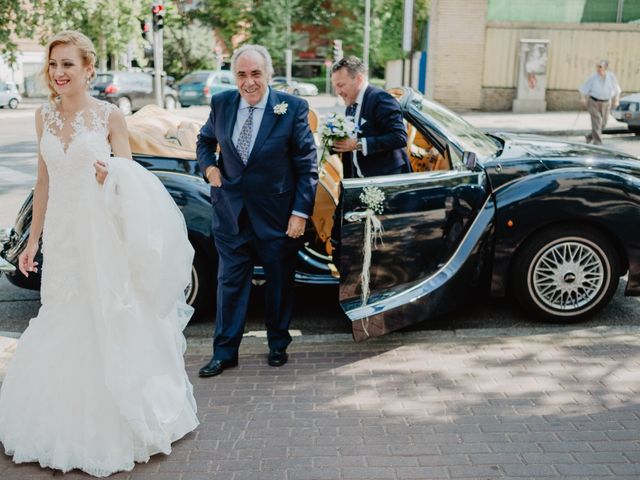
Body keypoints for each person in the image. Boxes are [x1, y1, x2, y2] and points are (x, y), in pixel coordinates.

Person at [0, 31, 198, 477]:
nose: (59, 73)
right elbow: (44, 182)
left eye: (68, 64)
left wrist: (111, 172)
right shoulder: (42, 117)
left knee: (107, 319)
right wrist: (33, 242)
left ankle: (119, 423)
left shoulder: (110, 116)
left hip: (100, 234)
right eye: (53, 65)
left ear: (88, 69)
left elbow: (130, 179)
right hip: (64, 240)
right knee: (62, 317)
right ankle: (57, 422)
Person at [196, 45, 317, 377]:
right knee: (229, 285)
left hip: (277, 216)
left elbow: (307, 166)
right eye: (242, 75)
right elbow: (204, 141)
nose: (249, 82)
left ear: (269, 75)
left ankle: (278, 344)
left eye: (256, 74)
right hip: (230, 214)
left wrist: (300, 213)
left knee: (279, 284)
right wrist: (209, 169)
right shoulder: (221, 104)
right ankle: (224, 352)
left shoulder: (291, 108)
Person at [331, 56, 411, 178]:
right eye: (335, 86)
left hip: (387, 179)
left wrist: (357, 144)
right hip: (361, 181)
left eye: (341, 85)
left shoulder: (381, 99)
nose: (338, 92)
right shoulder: (350, 105)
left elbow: (399, 137)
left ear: (358, 79)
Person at [579, 59, 621, 145]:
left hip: (606, 103)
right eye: (597, 66)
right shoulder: (593, 77)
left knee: (604, 123)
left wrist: (616, 100)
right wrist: (583, 98)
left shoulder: (611, 77)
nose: (598, 69)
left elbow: (617, 89)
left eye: (600, 67)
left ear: (605, 67)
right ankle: (598, 143)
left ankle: (590, 136)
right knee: (597, 120)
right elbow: (583, 88)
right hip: (593, 102)